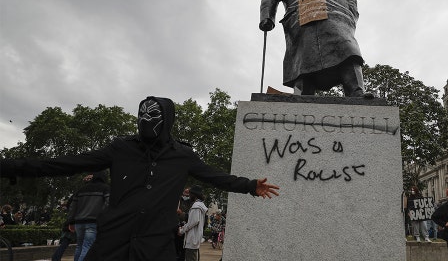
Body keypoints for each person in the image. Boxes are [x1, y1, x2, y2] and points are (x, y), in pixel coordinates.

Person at [0, 96, 280, 261]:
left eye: (154, 116)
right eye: (142, 115)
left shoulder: (182, 156)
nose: (147, 121)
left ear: (167, 120)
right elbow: (66, 163)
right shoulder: (121, 149)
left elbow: (217, 177)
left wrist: (250, 186)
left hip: (156, 245)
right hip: (114, 241)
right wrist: (12, 167)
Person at [259, 0, 366, 97]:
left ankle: (357, 91)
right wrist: (267, 16)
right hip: (304, 15)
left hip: (337, 16)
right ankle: (303, 95)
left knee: (348, 49)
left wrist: (351, 12)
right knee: (304, 60)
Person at [67, 171, 109, 261]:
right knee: (87, 247)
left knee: (79, 246)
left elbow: (72, 207)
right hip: (93, 222)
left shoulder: (81, 190)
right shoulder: (105, 189)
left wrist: (70, 222)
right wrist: (102, 217)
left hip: (79, 223)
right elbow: (108, 204)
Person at [178, 185, 207, 261]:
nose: (189, 196)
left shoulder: (196, 206)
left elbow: (192, 222)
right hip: (195, 238)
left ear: (194, 195)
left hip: (192, 239)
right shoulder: (201, 205)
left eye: (190, 194)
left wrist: (182, 230)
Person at [176, 187, 193, 261]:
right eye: (184, 193)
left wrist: (181, 213)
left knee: (184, 249)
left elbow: (191, 217)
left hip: (186, 229)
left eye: (187, 193)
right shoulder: (178, 200)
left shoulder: (192, 203)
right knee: (176, 247)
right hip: (177, 227)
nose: (185, 195)